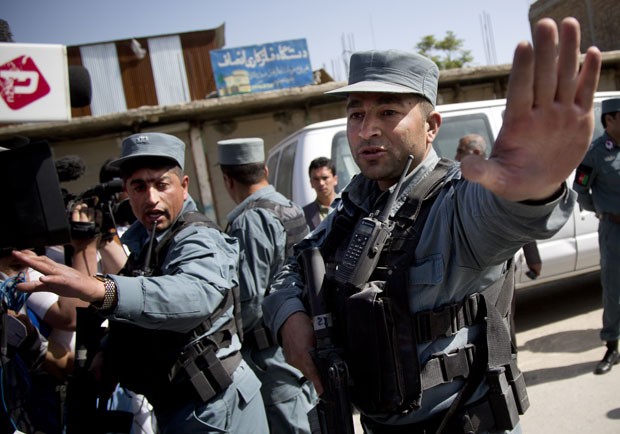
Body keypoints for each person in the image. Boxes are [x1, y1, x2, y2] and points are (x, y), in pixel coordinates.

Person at [262, 17, 601, 434]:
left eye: (388, 111)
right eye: (356, 114)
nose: (367, 129)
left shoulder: (454, 199)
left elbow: (501, 214)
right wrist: (289, 318)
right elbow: (295, 265)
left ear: (432, 126)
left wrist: (533, 188)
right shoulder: (354, 202)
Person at [13, 132, 269, 433]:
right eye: (139, 187)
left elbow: (194, 295)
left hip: (214, 408)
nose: (151, 199)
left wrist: (101, 288)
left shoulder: (199, 237)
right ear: (127, 192)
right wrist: (109, 353)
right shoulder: (147, 240)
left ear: (183, 187)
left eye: (161, 185)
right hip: (178, 406)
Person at [217, 137, 315, 433]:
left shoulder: (250, 220)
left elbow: (249, 305)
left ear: (227, 180)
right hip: (298, 341)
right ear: (265, 171)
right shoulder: (287, 207)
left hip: (272, 358)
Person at [573, 97, 620, 375]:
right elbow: (581, 190)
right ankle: (612, 347)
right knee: (614, 289)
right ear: (609, 120)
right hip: (614, 229)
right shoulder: (595, 153)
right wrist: (602, 212)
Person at [454, 135, 542, 281]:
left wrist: (533, 259)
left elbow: (520, 221)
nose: (456, 156)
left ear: (476, 153)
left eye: (460, 151)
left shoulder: (496, 183)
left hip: (496, 268)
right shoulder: (457, 180)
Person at [302, 157, 339, 230]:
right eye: (316, 179)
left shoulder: (347, 207)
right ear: (311, 183)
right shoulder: (304, 214)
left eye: (325, 178)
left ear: (335, 179)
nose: (321, 183)